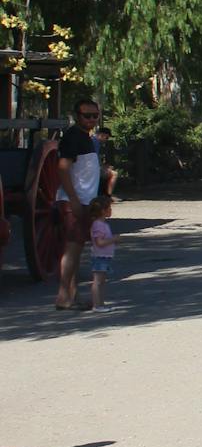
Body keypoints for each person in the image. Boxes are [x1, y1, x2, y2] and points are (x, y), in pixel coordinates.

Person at [54, 98, 111, 310]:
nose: (92, 120)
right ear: (77, 116)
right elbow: (62, 168)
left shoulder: (86, 137)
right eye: (87, 115)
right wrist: (74, 199)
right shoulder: (72, 138)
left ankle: (73, 295)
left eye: (95, 116)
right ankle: (63, 296)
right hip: (74, 200)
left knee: (77, 249)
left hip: (85, 200)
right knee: (72, 249)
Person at [87, 194, 117, 313]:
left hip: (104, 256)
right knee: (98, 281)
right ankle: (97, 304)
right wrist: (113, 239)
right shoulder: (98, 225)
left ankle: (101, 303)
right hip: (100, 256)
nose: (111, 210)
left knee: (102, 281)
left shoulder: (103, 224)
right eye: (109, 208)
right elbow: (99, 242)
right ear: (103, 211)